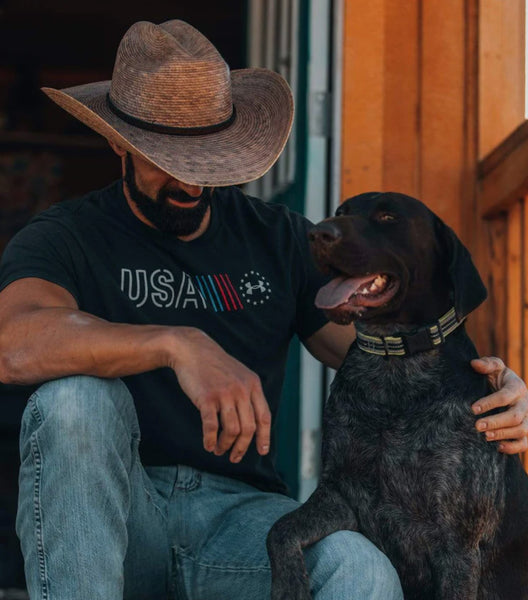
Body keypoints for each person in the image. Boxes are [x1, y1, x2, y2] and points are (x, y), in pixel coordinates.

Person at [0, 19, 526, 600]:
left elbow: (388, 356)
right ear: (118, 143)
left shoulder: (275, 238)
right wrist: (178, 344)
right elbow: (14, 342)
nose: (189, 177)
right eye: (163, 155)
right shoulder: (67, 234)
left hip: (241, 521)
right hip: (121, 516)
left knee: (357, 566)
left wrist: (495, 393)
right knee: (74, 400)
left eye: (204, 152)